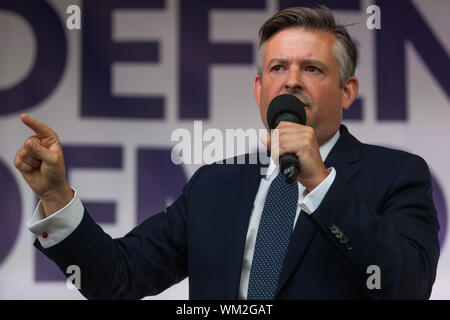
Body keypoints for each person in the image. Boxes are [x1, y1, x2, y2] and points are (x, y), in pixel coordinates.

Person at [14, 6, 439, 300]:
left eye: (311, 68)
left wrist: (320, 183)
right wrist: (56, 198)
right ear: (259, 89)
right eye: (277, 68)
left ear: (347, 91)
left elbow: (408, 287)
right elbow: (117, 280)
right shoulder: (215, 185)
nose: (291, 82)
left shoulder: (397, 174)